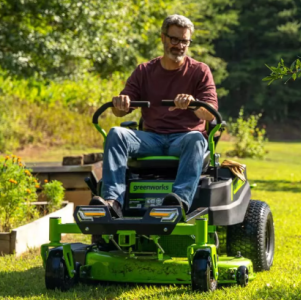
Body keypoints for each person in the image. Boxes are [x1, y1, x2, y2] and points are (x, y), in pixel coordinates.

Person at [89, 14, 218, 218]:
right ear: (163, 38)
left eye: (185, 41)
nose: (180, 46)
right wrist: (120, 103)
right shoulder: (144, 71)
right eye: (175, 39)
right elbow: (119, 111)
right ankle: (113, 201)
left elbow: (210, 113)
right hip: (151, 138)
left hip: (184, 138)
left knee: (196, 138)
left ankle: (178, 201)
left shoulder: (200, 71)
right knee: (116, 133)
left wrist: (192, 103)